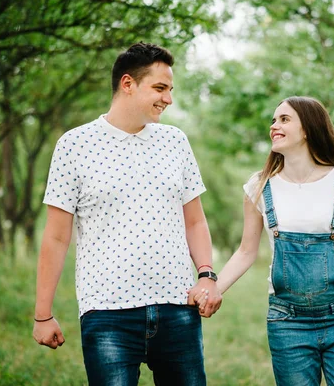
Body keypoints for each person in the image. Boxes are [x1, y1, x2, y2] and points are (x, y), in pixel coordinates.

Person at [32, 42, 222, 386]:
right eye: (160, 88)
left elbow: (195, 220)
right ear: (127, 84)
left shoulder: (175, 141)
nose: (168, 99)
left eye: (170, 90)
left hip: (178, 308)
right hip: (107, 314)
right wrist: (43, 315)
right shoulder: (74, 145)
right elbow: (57, 237)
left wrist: (207, 274)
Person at [192, 96, 334, 385]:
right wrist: (213, 289)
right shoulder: (259, 186)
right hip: (287, 321)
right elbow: (246, 252)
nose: (274, 126)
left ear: (307, 129)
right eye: (273, 120)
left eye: (284, 119)